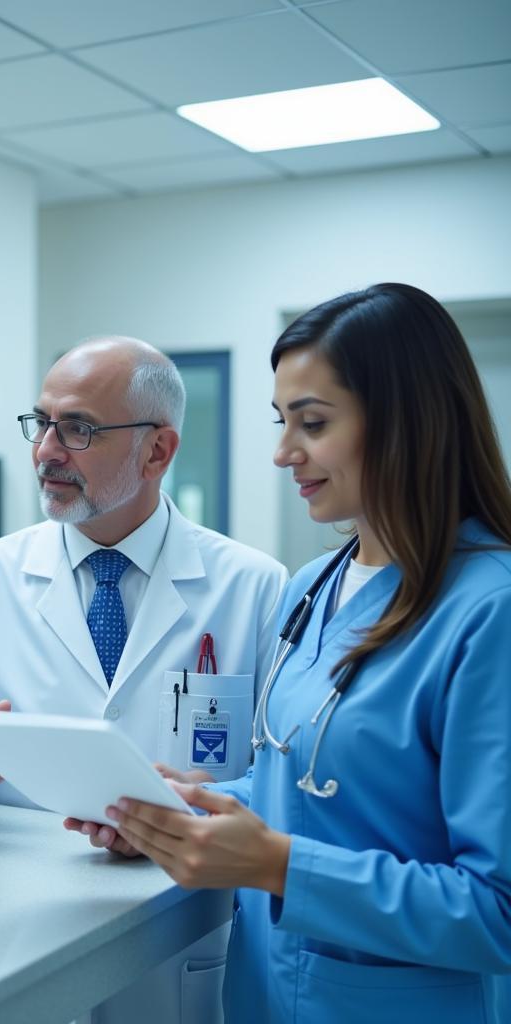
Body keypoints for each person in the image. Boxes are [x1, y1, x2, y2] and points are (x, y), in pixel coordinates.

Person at [107, 283, 511, 1023]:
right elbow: (310, 788)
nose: (283, 453)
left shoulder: (490, 611)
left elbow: (499, 911)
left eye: (313, 424)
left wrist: (276, 865)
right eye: (281, 421)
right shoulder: (313, 586)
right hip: (264, 996)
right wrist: (188, 810)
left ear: (408, 421)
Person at [0, 336, 288, 1023]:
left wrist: (181, 810)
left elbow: (281, 781)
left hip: (179, 941)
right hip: (18, 938)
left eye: (78, 428)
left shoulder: (254, 588)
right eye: (40, 422)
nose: (45, 450)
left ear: (158, 451)